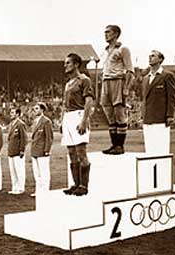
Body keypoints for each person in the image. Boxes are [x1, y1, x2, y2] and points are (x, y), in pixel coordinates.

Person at [60, 53, 94, 196]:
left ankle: (84, 186)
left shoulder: (84, 80)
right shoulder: (68, 83)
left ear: (76, 64)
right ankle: (75, 184)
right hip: (68, 117)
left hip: (78, 115)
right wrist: (62, 121)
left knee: (81, 152)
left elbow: (89, 101)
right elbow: (64, 104)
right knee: (71, 153)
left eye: (68, 63)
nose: (65, 65)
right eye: (65, 63)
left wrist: (84, 120)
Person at [100, 25, 134, 155]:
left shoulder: (123, 49)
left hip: (117, 80)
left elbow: (130, 71)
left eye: (108, 32)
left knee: (119, 113)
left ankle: (120, 145)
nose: (105, 34)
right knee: (109, 114)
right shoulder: (106, 50)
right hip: (105, 82)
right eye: (105, 32)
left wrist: (126, 88)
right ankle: (114, 145)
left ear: (116, 34)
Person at [141, 50, 175, 155]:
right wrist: (142, 116)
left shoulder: (167, 76)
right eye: (149, 56)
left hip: (160, 119)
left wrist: (170, 115)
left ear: (160, 59)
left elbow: (172, 97)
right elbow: (144, 99)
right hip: (147, 119)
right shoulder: (145, 79)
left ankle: (162, 171)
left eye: (153, 56)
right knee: (149, 150)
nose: (150, 57)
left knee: (161, 150)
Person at [30, 102, 53, 197]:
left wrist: (47, 150)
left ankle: (45, 191)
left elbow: (49, 137)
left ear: (42, 110)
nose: (34, 111)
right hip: (35, 150)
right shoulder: (35, 121)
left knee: (44, 172)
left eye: (36, 108)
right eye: (34, 109)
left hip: (42, 150)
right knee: (37, 173)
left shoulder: (46, 121)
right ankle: (38, 191)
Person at [7, 107, 27, 195]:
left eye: (13, 112)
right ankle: (14, 187)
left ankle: (20, 188)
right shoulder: (11, 124)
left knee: (19, 170)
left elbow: (24, 138)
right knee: (13, 171)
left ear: (18, 114)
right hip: (11, 151)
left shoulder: (20, 124)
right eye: (10, 112)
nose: (11, 114)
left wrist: (22, 150)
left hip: (18, 151)